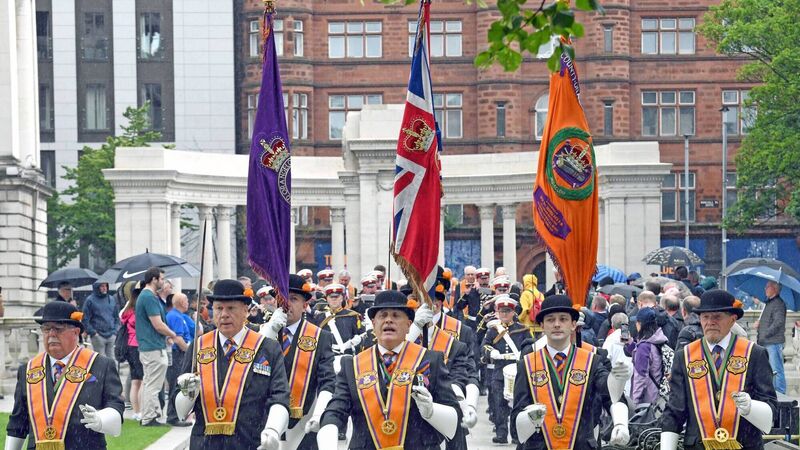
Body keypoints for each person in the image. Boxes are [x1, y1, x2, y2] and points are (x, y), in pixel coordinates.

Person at [317, 290, 460, 450]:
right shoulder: (352, 365)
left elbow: (454, 416)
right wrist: (328, 434)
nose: (388, 320)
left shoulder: (429, 360)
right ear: (373, 324)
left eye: (396, 315)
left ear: (408, 325)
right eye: (382, 315)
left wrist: (432, 411)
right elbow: (336, 409)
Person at [175, 279, 290, 449]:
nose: (224, 315)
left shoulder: (267, 348)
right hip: (204, 444)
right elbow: (180, 412)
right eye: (219, 308)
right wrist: (187, 393)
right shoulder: (198, 346)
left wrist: (273, 430)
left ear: (245, 310)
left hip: (250, 442)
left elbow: (280, 396)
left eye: (231, 308)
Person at [661, 290, 778, 450]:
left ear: (732, 320)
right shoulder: (685, 356)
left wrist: (751, 407)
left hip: (744, 444)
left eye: (717, 317)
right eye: (705, 317)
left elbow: (770, 407)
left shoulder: (754, 353)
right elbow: (675, 410)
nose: (710, 322)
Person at [512, 295, 630, 449]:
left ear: (574, 324)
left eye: (563, 319)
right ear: (541, 325)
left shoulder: (592, 361)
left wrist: (617, 379)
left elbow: (610, 393)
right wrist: (528, 418)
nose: (556, 324)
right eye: (550, 319)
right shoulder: (527, 364)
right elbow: (515, 426)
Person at [6, 301, 124, 449]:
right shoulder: (28, 370)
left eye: (58, 329)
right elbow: (18, 423)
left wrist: (101, 419)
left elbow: (116, 406)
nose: (51, 334)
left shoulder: (101, 365)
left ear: (76, 332)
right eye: (46, 329)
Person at [261, 275, 335, 450]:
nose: (286, 304)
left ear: (305, 305)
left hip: (304, 422)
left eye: (293, 299)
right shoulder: (263, 333)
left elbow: (328, 381)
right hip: (265, 422)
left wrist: (319, 414)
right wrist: (270, 330)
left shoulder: (320, 337)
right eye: (282, 299)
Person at [481, 295, 530, 444]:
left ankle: (516, 434)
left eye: (507, 311)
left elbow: (530, 345)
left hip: (517, 370)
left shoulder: (522, 329)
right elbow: (484, 345)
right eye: (501, 311)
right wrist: (491, 352)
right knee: (499, 402)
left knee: (517, 403)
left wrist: (524, 353)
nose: (504, 314)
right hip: (499, 370)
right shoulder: (493, 330)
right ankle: (501, 433)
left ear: (513, 312)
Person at [135, 266, 179, 427]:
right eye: (161, 278)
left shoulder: (147, 296)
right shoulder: (148, 297)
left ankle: (147, 416)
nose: (163, 281)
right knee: (153, 385)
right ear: (154, 279)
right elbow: (158, 324)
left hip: (150, 346)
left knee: (149, 383)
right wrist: (173, 334)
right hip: (153, 347)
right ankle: (149, 417)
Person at [627, 307, 667, 408]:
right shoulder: (657, 339)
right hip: (657, 394)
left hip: (646, 401)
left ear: (641, 324)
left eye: (637, 322)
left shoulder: (644, 347)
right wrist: (631, 344)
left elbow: (640, 377)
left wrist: (634, 404)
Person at [165, 292, 193, 426]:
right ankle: (172, 416)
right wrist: (189, 352)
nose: (188, 302)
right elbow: (178, 338)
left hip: (179, 354)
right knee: (177, 385)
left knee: (178, 385)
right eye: (186, 300)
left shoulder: (178, 315)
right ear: (181, 302)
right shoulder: (175, 316)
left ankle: (177, 414)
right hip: (178, 355)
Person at [756, 280, 787, 394]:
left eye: (767, 286)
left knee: (777, 370)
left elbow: (778, 323)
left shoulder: (779, 303)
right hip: (766, 341)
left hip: (773, 342)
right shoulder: (769, 303)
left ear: (774, 288)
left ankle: (781, 394)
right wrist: (760, 324)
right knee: (769, 370)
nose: (765, 289)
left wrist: (765, 333)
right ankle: (774, 393)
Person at [120, 281, 144, 421]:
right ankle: (139, 409)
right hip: (137, 345)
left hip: (129, 346)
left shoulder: (126, 311)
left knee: (136, 380)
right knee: (141, 380)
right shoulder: (136, 312)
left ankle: (136, 411)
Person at [82, 281, 120, 360]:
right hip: (98, 336)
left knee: (112, 361)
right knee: (101, 361)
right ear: (97, 287)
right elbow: (85, 319)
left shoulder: (112, 299)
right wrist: (93, 332)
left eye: (106, 286)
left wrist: (115, 331)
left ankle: (112, 373)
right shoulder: (90, 300)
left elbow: (116, 317)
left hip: (111, 335)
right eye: (102, 286)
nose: (104, 288)